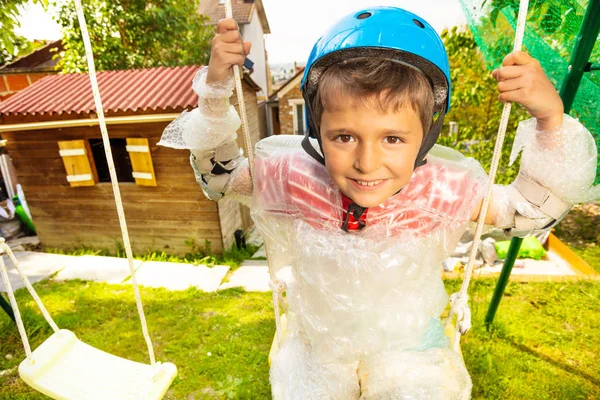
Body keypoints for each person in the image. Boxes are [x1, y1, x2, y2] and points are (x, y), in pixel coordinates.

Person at [158, 6, 599, 399]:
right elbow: (218, 176)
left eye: (392, 138)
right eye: (344, 137)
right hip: (318, 347)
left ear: (426, 136)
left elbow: (529, 211)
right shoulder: (293, 179)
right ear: (317, 132)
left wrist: (550, 118)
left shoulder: (441, 190)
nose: (367, 163)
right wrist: (215, 93)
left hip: (409, 347)